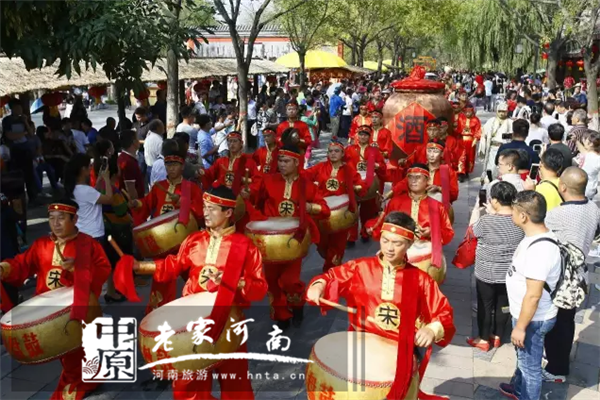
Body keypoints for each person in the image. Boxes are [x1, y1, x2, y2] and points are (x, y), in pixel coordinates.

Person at [113, 186, 267, 400]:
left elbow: (259, 288)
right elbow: (172, 265)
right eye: (204, 207)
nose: (205, 213)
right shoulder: (194, 240)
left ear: (228, 212)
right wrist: (141, 267)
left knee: (236, 386)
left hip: (228, 321)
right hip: (193, 326)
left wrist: (235, 281)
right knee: (189, 388)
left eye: (212, 209)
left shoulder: (245, 246)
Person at [306, 211, 455, 400]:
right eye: (385, 240)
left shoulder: (420, 280)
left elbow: (443, 312)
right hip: (361, 340)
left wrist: (432, 330)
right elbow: (332, 277)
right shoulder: (360, 268)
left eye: (397, 243)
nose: (389, 248)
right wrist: (319, 285)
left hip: (401, 347)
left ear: (409, 244)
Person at [0, 199, 111, 400]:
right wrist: (5, 268)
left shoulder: (87, 244)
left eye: (61, 218)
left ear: (74, 220)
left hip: (77, 308)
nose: (56, 223)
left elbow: (103, 269)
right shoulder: (42, 245)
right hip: (50, 309)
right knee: (71, 353)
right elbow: (22, 264)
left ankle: (74, 388)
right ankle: (92, 376)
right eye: (51, 218)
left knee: (75, 355)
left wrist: (79, 268)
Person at [249, 145, 330, 328]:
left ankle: (297, 304)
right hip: (270, 240)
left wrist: (310, 207)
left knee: (290, 281)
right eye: (280, 161)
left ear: (296, 162)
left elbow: (325, 209)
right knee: (271, 281)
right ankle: (281, 315)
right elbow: (256, 201)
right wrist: (248, 194)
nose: (282, 164)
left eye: (286, 161)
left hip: (294, 240)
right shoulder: (268, 181)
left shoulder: (306, 185)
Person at [500, 190, 561, 400]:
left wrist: (520, 327)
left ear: (524, 216)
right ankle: (518, 389)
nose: (511, 214)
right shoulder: (534, 237)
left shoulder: (540, 251)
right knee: (524, 360)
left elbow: (533, 295)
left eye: (513, 211)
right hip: (526, 315)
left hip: (533, 319)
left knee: (530, 369)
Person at [541, 167, 600, 384]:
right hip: (580, 275)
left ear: (563, 187)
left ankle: (556, 369)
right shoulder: (593, 208)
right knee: (566, 320)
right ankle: (558, 357)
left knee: (556, 322)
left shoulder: (556, 215)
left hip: (561, 278)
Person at [129, 150, 204, 314]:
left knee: (193, 275)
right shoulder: (159, 186)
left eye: (175, 165)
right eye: (168, 165)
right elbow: (147, 203)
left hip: (185, 240)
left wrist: (183, 201)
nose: (171, 168)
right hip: (162, 241)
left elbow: (201, 211)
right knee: (162, 276)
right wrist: (137, 204)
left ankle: (200, 309)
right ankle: (159, 313)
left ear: (182, 166)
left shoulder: (190, 187)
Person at [368, 164, 454, 283]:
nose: (413, 180)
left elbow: (448, 232)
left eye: (418, 177)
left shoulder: (437, 207)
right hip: (397, 251)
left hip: (424, 251)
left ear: (427, 180)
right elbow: (383, 226)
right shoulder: (395, 202)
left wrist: (432, 232)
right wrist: (371, 228)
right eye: (410, 177)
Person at [467, 182, 524, 351]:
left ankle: (483, 339)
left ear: (495, 201)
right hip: (508, 273)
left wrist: (478, 211)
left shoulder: (486, 220)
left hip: (486, 272)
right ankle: (497, 335)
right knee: (503, 305)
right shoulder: (519, 221)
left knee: (485, 305)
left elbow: (471, 232)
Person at [304, 140, 364, 271]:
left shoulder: (348, 170)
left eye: (337, 151)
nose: (333, 153)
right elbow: (304, 175)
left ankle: (330, 273)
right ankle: (332, 263)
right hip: (322, 212)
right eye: (330, 151)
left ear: (342, 154)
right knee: (321, 245)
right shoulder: (320, 167)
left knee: (336, 247)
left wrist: (357, 187)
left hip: (341, 214)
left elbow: (360, 183)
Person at [345, 125, 387, 244]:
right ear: (357, 136)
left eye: (365, 135)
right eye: (361, 134)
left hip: (370, 183)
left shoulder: (374, 151)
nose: (363, 137)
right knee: (352, 210)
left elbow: (382, 166)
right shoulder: (349, 149)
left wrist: (376, 165)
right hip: (354, 182)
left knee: (367, 211)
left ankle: (365, 232)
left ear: (369, 137)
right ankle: (351, 236)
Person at [480, 102, 514, 178]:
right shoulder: (491, 121)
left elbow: (512, 136)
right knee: (491, 167)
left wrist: (505, 136)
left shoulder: (510, 122)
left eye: (504, 111)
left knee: (502, 168)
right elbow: (484, 133)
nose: (501, 113)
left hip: (504, 148)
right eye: (500, 111)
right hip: (492, 147)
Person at [456, 103, 482, 180]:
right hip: (461, 141)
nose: (467, 113)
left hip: (470, 141)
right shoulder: (461, 118)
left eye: (469, 112)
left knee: (469, 157)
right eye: (466, 112)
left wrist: (476, 139)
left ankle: (467, 171)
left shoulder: (476, 120)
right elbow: (457, 129)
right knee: (461, 157)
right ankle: (461, 172)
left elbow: (478, 130)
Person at [117, 130, 145, 200]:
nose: (139, 141)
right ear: (133, 142)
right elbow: (130, 189)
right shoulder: (129, 162)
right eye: (137, 139)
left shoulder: (123, 157)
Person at [575, 130, 600, 199]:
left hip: (581, 188)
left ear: (591, 144)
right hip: (590, 188)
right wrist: (576, 141)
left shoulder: (585, 156)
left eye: (585, 139)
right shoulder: (596, 157)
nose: (583, 140)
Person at [144, 119, 165, 187]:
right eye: (162, 125)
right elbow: (162, 156)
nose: (164, 127)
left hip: (149, 167)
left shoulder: (148, 137)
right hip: (156, 168)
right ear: (158, 128)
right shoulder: (159, 141)